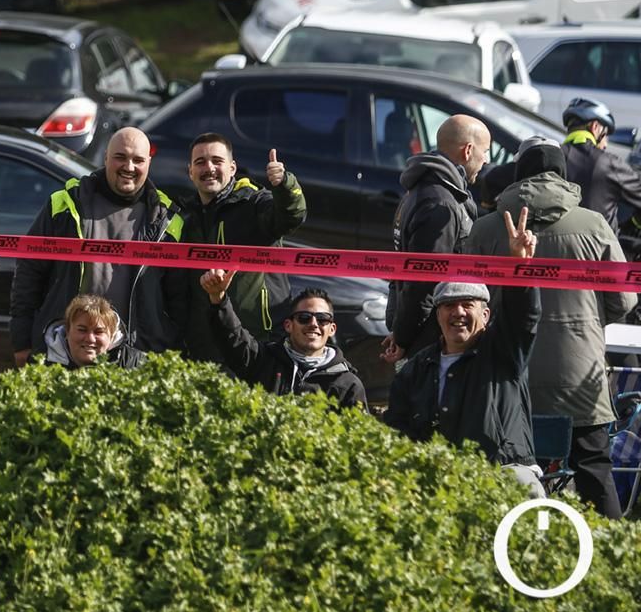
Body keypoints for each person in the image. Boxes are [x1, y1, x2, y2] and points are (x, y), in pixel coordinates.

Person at [467, 137, 636, 518]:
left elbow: (467, 299)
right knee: (594, 470)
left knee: (504, 473)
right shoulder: (593, 225)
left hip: (507, 380)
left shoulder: (486, 229)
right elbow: (625, 300)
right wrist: (588, 321)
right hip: (580, 381)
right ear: (562, 172)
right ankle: (609, 561)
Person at [384, 209, 543, 497]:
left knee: (524, 487)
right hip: (439, 479)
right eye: (448, 305)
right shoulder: (416, 369)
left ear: (485, 314)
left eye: (467, 304)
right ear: (437, 316)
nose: (458, 312)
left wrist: (521, 265)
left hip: (502, 471)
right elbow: (398, 430)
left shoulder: (503, 351)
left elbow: (524, 316)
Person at [10, 126, 184, 365]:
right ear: (105, 158)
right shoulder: (65, 204)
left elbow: (180, 299)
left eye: (138, 160)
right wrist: (22, 341)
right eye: (120, 157)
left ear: (149, 163)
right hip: (65, 355)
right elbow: (29, 274)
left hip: (136, 359)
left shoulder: (167, 219)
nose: (129, 167)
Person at [180, 133, 306, 363]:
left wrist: (285, 185)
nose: (209, 168)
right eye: (200, 162)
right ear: (190, 172)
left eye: (217, 161)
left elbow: (290, 217)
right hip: (206, 344)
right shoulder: (186, 215)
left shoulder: (254, 203)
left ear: (232, 167)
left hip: (259, 340)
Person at [383, 114, 488, 364]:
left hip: (420, 333)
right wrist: (404, 337)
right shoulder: (440, 203)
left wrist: (400, 330)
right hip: (430, 340)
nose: (486, 160)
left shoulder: (421, 191)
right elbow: (424, 281)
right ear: (468, 150)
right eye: (485, 152)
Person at [200, 273, 366, 409]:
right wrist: (217, 297)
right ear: (288, 325)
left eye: (322, 319)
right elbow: (232, 337)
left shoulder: (348, 384)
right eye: (304, 318)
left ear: (332, 329)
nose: (313, 324)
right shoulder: (264, 360)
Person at [560, 97, 641, 235]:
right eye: (606, 135)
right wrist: (630, 226)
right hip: (599, 253)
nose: (606, 144)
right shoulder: (608, 163)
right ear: (595, 127)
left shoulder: (549, 158)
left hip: (549, 253)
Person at [43, 294, 145, 369]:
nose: (90, 339)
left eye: (99, 332)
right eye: (82, 330)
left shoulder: (137, 364)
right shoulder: (42, 363)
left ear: (112, 336)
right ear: (67, 331)